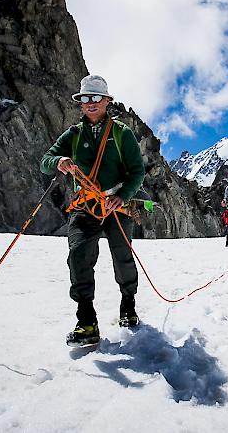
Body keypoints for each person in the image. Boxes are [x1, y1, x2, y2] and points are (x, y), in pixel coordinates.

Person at [40, 74, 145, 347]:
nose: (90, 103)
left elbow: (137, 171)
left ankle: (128, 304)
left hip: (116, 206)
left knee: (122, 256)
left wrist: (123, 196)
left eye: (95, 98)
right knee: (78, 255)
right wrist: (59, 160)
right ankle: (86, 319)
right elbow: (45, 161)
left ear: (107, 101)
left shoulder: (122, 133)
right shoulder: (73, 134)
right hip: (85, 205)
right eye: (85, 99)